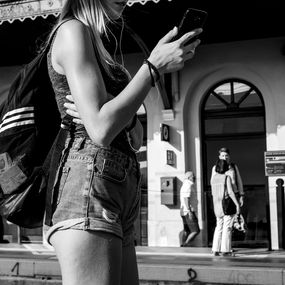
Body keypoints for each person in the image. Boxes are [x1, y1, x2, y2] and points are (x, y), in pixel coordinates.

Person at [42, 1, 202, 284]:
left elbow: (136, 137)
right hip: (87, 187)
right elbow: (101, 129)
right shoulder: (72, 31)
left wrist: (121, 116)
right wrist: (152, 67)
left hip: (119, 191)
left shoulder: (102, 51)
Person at [211, 159, 240, 256]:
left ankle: (215, 249)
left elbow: (212, 193)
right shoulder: (226, 177)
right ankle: (225, 250)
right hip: (226, 204)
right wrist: (237, 204)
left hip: (216, 205)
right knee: (227, 227)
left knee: (218, 226)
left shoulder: (213, 178)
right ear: (226, 167)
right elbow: (231, 192)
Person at [179, 171, 200, 247]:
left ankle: (182, 244)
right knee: (196, 230)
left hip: (184, 211)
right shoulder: (188, 185)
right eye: (193, 176)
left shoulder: (184, 185)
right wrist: (189, 211)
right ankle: (185, 244)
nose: (194, 178)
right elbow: (186, 198)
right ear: (189, 178)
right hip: (188, 211)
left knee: (187, 230)